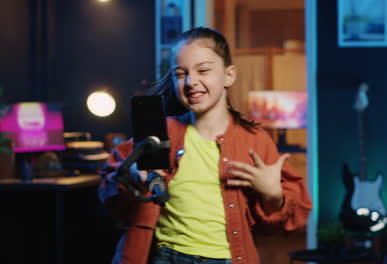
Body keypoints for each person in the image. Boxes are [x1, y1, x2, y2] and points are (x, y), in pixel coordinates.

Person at [98, 27, 312, 264]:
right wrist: (133, 179)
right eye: (180, 74)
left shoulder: (256, 141)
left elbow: (281, 223)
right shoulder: (158, 132)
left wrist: (273, 194)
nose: (191, 82)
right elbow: (111, 189)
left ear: (229, 76)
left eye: (204, 70)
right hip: (163, 257)